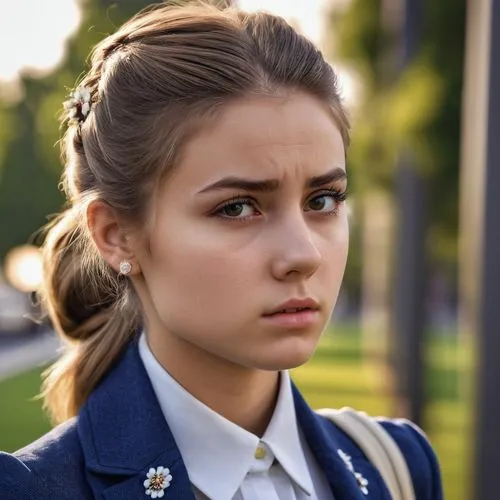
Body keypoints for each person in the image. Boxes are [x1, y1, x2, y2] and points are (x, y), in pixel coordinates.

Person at [0, 2, 443, 499]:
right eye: (237, 208)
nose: (304, 254)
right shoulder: (29, 489)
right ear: (116, 234)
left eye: (323, 200)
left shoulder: (396, 465)